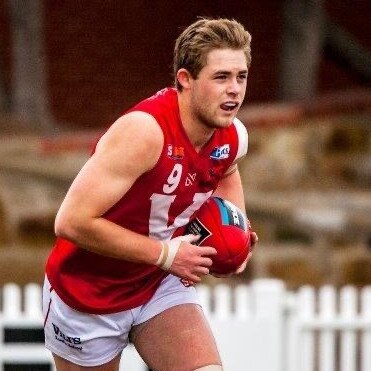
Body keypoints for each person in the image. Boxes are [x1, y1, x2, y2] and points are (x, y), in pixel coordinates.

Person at [43, 17, 257, 371]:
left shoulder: (233, 135)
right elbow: (71, 222)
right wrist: (164, 254)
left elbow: (228, 169)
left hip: (158, 282)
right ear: (185, 80)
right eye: (221, 77)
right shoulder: (145, 133)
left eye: (241, 77)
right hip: (88, 290)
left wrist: (235, 231)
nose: (234, 89)